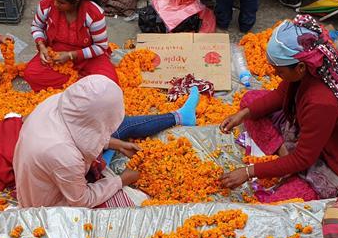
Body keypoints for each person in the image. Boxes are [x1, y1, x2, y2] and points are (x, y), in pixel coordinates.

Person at [219, 15, 338, 201]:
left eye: (279, 71)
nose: (276, 75)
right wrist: (243, 114)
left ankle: (288, 162)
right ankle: (284, 153)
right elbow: (281, 95)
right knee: (250, 101)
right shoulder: (311, 69)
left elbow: (304, 159)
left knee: (281, 200)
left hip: (331, 158)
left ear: (300, 67)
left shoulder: (321, 103)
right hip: (308, 130)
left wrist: (249, 171)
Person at [14, 76, 200, 208]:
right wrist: (122, 180)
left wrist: (116, 144)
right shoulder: (63, 155)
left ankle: (179, 116)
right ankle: (180, 116)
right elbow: (80, 201)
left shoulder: (56, 102)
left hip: (53, 170)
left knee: (120, 130)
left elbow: (79, 131)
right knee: (134, 205)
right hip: (50, 205)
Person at [22, 0, 118, 92]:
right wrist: (42, 46)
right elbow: (37, 26)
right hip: (56, 52)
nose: (55, 4)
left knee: (109, 84)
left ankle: (82, 84)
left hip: (88, 55)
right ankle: (83, 84)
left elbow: (100, 47)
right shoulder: (46, 4)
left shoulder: (93, 13)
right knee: (31, 74)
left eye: (61, 2)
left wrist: (71, 55)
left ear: (76, 2)